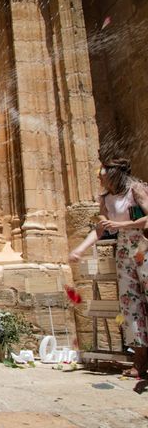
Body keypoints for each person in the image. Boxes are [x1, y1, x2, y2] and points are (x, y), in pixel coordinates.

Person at [69, 159, 148, 377]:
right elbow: (100, 229)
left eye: (101, 170)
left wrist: (123, 225)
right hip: (124, 250)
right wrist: (79, 249)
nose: (98, 174)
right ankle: (140, 361)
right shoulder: (105, 199)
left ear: (113, 173)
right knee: (131, 303)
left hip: (143, 245)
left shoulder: (135, 190)